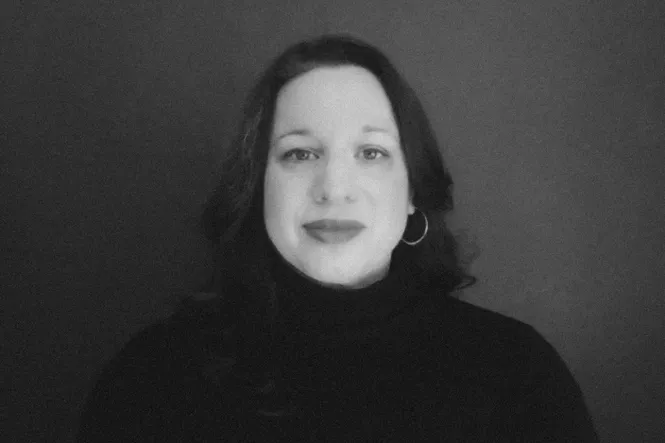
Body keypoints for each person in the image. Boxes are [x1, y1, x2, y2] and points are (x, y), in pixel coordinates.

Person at [77, 34, 599, 442]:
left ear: (413, 190)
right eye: (300, 153)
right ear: (258, 187)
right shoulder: (153, 379)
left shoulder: (518, 376)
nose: (333, 188)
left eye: (371, 153)